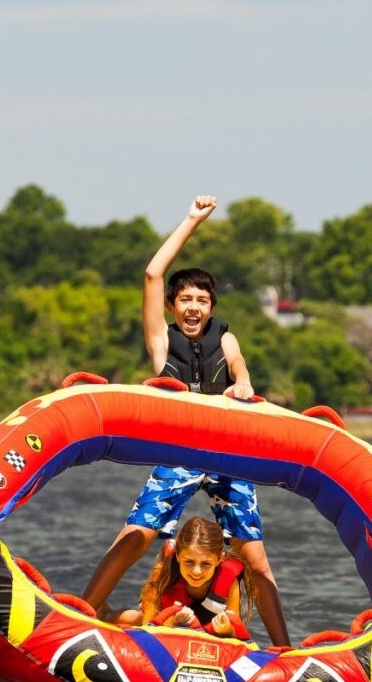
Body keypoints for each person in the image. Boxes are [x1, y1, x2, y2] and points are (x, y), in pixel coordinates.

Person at [80, 195, 291, 646]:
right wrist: (193, 220)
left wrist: (244, 383)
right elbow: (153, 273)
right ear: (174, 307)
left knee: (255, 559)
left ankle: (283, 649)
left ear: (211, 307)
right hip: (178, 451)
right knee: (138, 535)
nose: (193, 307)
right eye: (185, 300)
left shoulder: (226, 338)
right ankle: (86, 612)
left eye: (201, 300)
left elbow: (240, 368)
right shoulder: (163, 344)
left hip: (229, 453)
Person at [107, 517, 253, 639]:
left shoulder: (228, 579)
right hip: (164, 617)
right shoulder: (163, 572)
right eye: (189, 562)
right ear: (177, 555)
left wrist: (225, 629)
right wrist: (172, 622)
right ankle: (105, 613)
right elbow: (148, 627)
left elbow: (236, 632)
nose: (197, 571)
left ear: (219, 559)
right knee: (137, 619)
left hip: (207, 626)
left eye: (206, 564)